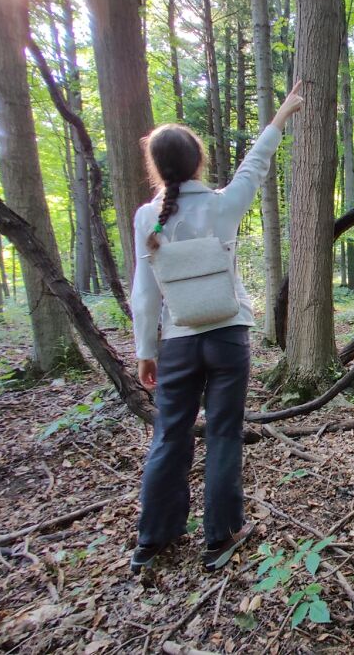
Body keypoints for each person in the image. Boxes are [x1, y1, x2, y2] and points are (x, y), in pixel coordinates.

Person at [129, 82, 304, 573]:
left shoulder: (148, 217)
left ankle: (152, 541)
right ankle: (221, 537)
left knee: (169, 436)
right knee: (223, 433)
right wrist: (280, 118)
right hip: (228, 336)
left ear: (157, 168)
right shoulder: (223, 204)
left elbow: (145, 292)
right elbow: (255, 167)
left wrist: (147, 351)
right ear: (199, 161)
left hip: (178, 342)